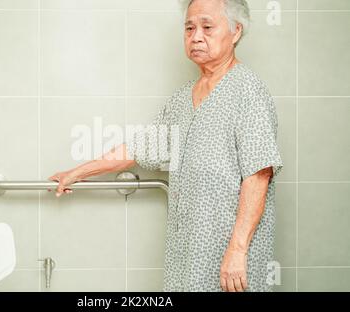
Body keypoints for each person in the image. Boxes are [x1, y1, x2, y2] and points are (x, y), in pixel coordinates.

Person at [48, 0, 283, 292]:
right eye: (189, 27)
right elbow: (137, 148)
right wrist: (78, 172)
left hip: (230, 253)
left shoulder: (249, 91)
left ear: (235, 32)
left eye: (207, 27)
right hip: (187, 250)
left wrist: (237, 249)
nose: (196, 36)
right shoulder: (181, 99)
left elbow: (259, 174)